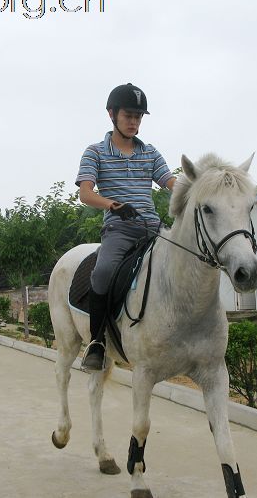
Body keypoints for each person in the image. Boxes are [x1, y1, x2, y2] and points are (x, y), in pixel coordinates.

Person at [76, 83, 176, 371]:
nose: (134, 122)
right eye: (128, 115)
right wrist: (113, 205)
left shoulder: (150, 153)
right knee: (104, 271)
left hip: (152, 228)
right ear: (112, 114)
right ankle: (96, 342)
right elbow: (85, 194)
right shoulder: (95, 152)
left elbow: (171, 183)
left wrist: (200, 189)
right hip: (119, 229)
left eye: (138, 117)